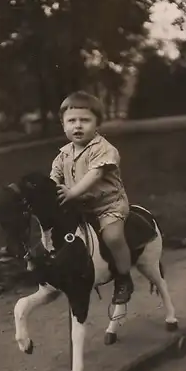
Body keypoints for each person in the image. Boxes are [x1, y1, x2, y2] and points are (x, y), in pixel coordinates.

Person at [50, 90, 134, 305]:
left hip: (108, 205)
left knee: (113, 237)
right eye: (71, 121)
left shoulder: (104, 149)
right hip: (80, 207)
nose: (77, 126)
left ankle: (124, 277)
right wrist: (52, 191)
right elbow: (54, 178)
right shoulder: (63, 154)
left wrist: (71, 192)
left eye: (85, 120)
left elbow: (94, 175)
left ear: (97, 124)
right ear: (63, 124)